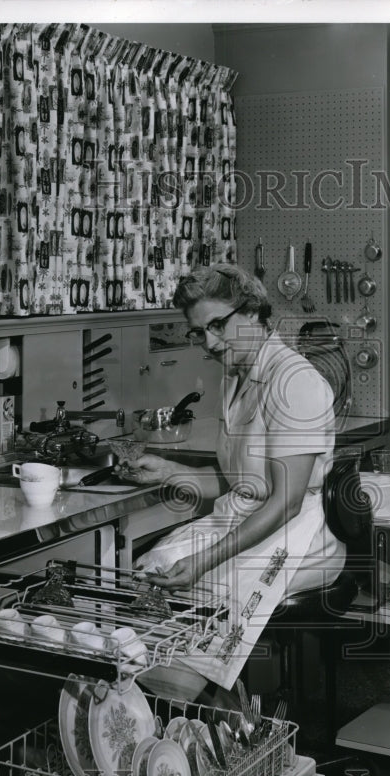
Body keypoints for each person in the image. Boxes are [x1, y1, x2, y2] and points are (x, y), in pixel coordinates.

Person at [116, 263, 346, 700]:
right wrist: (170, 471)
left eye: (218, 325)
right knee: (146, 574)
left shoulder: (294, 381)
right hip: (252, 518)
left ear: (255, 312)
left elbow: (286, 502)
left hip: (300, 535)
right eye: (199, 332)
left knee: (202, 593)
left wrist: (205, 560)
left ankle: (196, 716)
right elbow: (238, 482)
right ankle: (184, 720)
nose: (211, 342)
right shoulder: (237, 376)